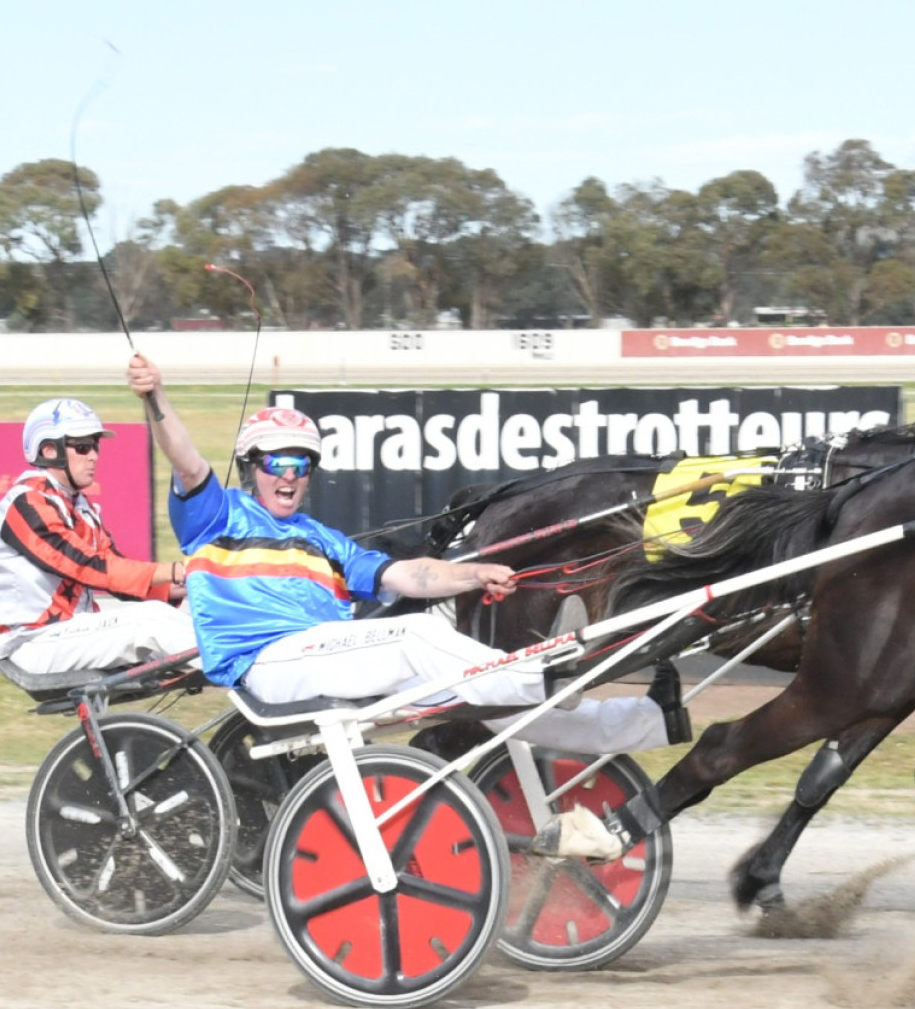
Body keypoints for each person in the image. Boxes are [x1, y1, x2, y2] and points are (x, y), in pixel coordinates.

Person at [126, 355, 686, 838]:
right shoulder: (215, 514)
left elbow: (408, 577)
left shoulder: (326, 541)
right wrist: (156, 398)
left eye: (303, 465)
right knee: (419, 636)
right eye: (278, 463)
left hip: (322, 658)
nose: (291, 476)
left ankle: (645, 720)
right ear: (252, 467)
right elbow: (185, 457)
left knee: (488, 705)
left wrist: (473, 574)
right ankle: (541, 675)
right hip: (268, 663)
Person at [0, 397, 193, 677]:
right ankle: (242, 673)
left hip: (67, 635)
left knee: (188, 608)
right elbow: (86, 566)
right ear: (48, 450)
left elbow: (119, 578)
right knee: (150, 622)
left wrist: (182, 586)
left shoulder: (79, 505)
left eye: (95, 445)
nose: (94, 455)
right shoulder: (26, 503)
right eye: (82, 447)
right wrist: (175, 570)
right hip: (32, 643)